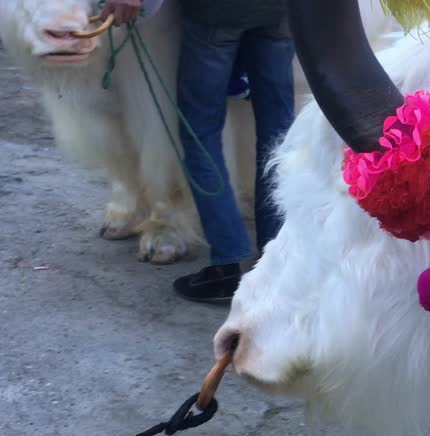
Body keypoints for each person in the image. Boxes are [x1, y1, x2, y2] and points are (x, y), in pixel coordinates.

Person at [103, 0, 295, 303]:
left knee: (200, 132)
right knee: (278, 129)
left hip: (216, 14)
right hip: (281, 11)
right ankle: (278, 254)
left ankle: (226, 264)